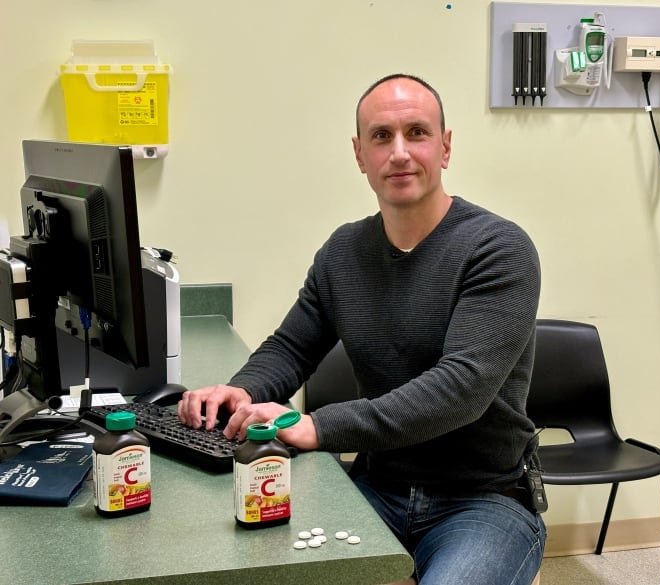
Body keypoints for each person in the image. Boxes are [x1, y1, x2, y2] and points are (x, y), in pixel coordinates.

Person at [178, 73, 545, 584]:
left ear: (445, 147)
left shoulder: (498, 249)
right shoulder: (343, 252)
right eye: (381, 136)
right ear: (359, 155)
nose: (399, 153)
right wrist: (241, 390)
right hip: (376, 486)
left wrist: (317, 427)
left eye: (416, 133)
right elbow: (290, 347)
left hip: (484, 500)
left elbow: (462, 388)